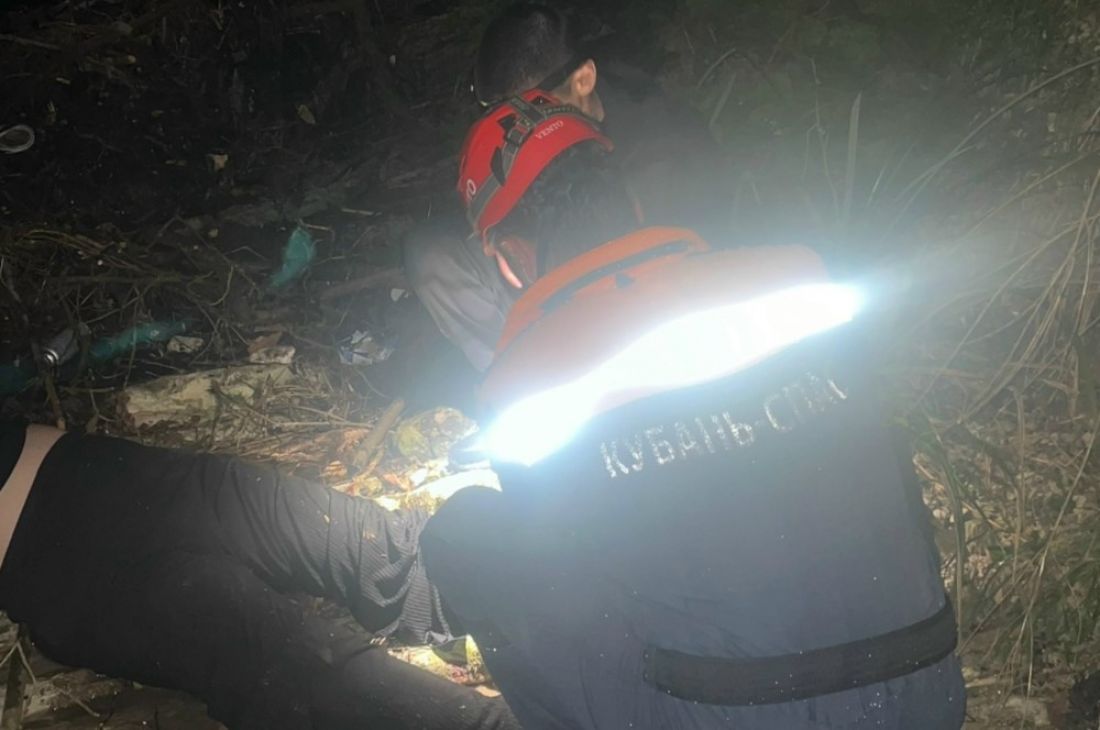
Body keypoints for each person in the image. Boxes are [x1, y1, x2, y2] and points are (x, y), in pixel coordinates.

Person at [419, 91, 967, 729]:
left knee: (465, 534)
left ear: (511, 258)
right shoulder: (803, 273)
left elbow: (567, 569)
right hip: (928, 689)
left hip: (742, 716)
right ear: (633, 203)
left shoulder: (521, 381)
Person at [0, 421, 520, 730]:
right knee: (306, 674)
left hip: (109, 474)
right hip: (70, 571)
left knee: (378, 546)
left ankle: (562, 616)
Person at [404, 2, 726, 373]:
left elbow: (689, 270)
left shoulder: (661, 150)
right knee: (433, 252)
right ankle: (515, 377)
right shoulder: (516, 137)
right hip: (545, 276)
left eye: (535, 104)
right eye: (498, 113)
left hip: (648, 300)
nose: (517, 125)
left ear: (583, 80)